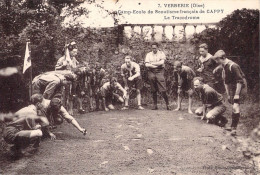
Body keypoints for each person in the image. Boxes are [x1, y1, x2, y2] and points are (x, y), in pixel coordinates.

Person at [213, 50, 247, 136]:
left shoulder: (233, 66)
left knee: (236, 106)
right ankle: (232, 127)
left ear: (223, 58)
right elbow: (226, 82)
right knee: (233, 106)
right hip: (233, 86)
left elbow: (240, 81)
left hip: (240, 86)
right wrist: (228, 94)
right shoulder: (224, 66)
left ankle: (234, 129)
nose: (217, 62)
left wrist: (236, 95)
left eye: (217, 60)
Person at [145, 42, 170, 110]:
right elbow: (147, 65)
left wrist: (152, 63)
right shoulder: (149, 54)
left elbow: (162, 62)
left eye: (155, 48)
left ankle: (167, 104)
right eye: (152, 48)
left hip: (159, 71)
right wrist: (156, 65)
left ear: (157, 48)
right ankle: (155, 105)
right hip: (151, 71)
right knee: (153, 89)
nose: (154, 50)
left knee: (163, 89)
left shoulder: (161, 53)